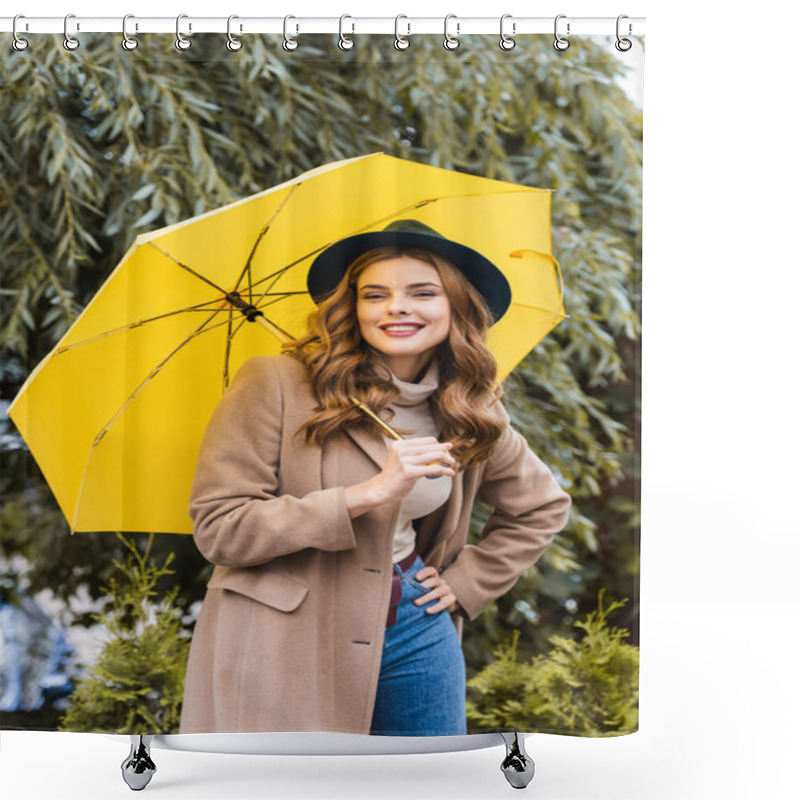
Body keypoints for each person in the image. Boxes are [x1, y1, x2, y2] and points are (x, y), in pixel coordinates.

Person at [179, 220, 571, 737]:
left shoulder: (470, 407)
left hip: (414, 617)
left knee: (428, 784)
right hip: (287, 628)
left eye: (422, 292)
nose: (396, 307)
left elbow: (541, 507)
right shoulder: (275, 383)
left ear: (456, 306)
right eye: (375, 294)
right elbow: (221, 527)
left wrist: (465, 582)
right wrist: (366, 495)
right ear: (354, 309)